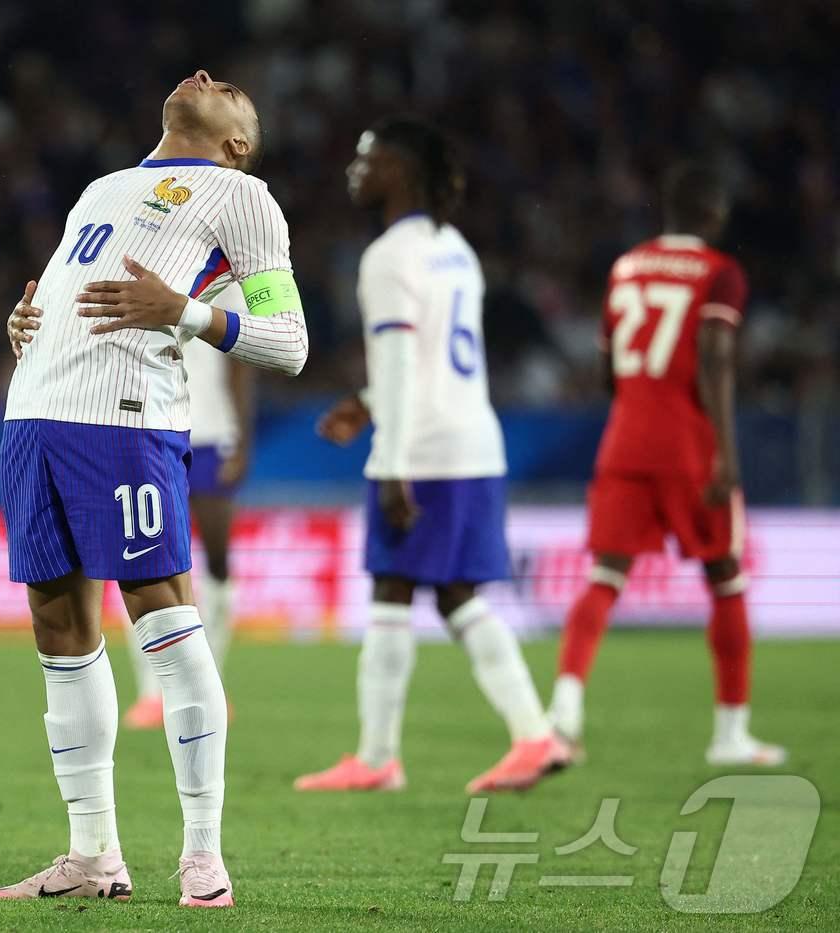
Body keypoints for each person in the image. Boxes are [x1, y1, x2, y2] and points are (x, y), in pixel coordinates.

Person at [0, 69, 308, 908]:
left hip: (126, 420)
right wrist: (28, 322)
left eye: (231, 86)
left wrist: (187, 311)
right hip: (34, 416)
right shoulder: (102, 186)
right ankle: (91, 852)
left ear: (238, 140)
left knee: (163, 608)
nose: (204, 75)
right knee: (58, 623)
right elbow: (68, 293)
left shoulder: (244, 199)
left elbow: (288, 342)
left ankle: (202, 852)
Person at [294, 117, 569, 795]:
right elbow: (424, 363)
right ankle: (381, 754)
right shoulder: (454, 248)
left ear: (402, 171)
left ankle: (528, 736)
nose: (355, 169)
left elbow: (398, 363)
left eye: (368, 158)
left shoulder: (389, 256)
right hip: (469, 438)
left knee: (438, 592)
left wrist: (391, 462)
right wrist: (365, 400)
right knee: (413, 589)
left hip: (427, 451)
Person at [545, 164, 785, 767]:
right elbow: (717, 354)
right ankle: (730, 736)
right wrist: (726, 452)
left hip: (625, 438)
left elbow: (607, 370)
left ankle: (564, 712)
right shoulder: (720, 272)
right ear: (714, 215)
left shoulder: (626, 266)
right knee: (725, 577)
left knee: (605, 577)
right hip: (689, 443)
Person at [121, 282, 254, 730]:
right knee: (143, 559)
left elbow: (240, 364)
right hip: (151, 428)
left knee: (217, 562)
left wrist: (243, 440)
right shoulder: (145, 261)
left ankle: (211, 683)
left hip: (212, 433)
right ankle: (151, 693)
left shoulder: (227, 282)